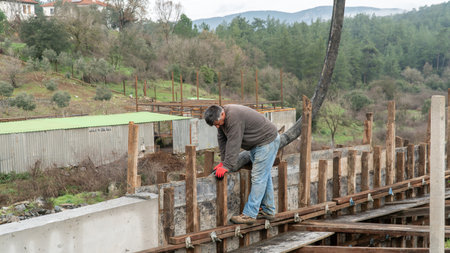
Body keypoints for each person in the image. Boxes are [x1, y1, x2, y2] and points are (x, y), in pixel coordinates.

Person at [204, 104, 280, 225]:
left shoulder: (233, 118)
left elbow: (234, 143)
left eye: (218, 123)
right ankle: (268, 210)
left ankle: (249, 214)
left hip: (267, 141)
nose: (218, 126)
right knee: (264, 176)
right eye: (215, 125)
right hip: (258, 143)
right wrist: (224, 162)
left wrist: (227, 165)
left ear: (222, 114)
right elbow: (223, 141)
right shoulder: (222, 120)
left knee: (258, 177)